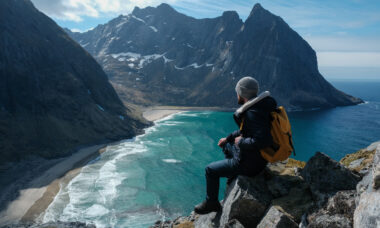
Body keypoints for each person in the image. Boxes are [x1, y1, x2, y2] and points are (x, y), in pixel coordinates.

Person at [194, 76, 277, 214]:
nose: (236, 95)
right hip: (257, 159)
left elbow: (263, 140)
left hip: (249, 164)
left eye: (237, 92)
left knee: (210, 170)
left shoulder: (252, 113)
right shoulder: (260, 107)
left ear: (242, 93)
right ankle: (232, 174)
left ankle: (212, 203)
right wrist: (228, 139)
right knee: (226, 145)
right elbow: (246, 130)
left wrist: (241, 141)